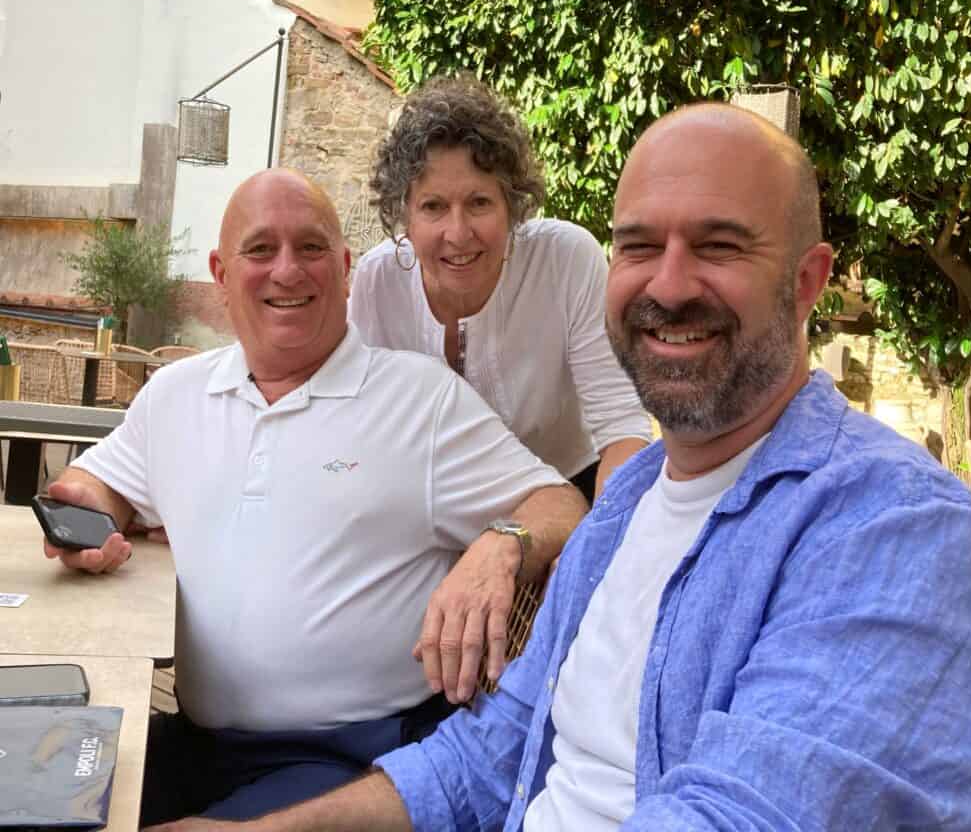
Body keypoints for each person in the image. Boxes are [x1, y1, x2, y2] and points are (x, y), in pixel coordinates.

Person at [150, 104, 971, 832]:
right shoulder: (627, 510)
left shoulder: (899, 532)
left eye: (719, 246)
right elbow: (483, 760)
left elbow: (746, 816)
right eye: (639, 246)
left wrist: (502, 537)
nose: (669, 285)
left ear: (806, 282)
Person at [42, 169, 587, 823]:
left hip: (348, 761)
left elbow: (561, 503)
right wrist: (82, 516)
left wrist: (504, 546)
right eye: (261, 249)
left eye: (310, 248)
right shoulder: (176, 396)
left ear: (346, 267)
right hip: (194, 740)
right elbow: (101, 485)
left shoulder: (420, 402)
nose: (287, 271)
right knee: (35, 792)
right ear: (221, 272)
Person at [349, 76, 651, 502]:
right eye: (433, 207)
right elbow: (363, 425)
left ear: (512, 206)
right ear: (405, 217)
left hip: (573, 484)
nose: (457, 233)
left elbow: (623, 430)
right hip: (437, 502)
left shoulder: (566, 260)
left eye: (479, 203)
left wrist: (594, 544)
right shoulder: (378, 280)